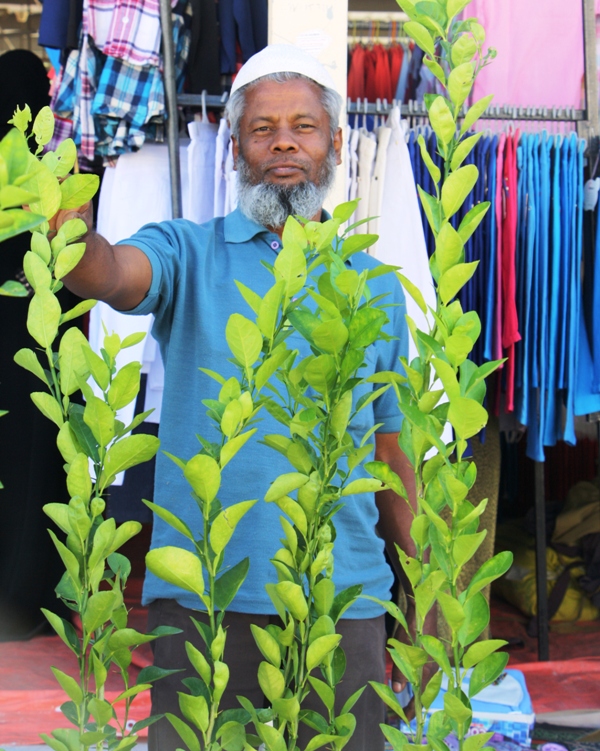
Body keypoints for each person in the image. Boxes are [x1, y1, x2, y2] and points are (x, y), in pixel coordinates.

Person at [55, 44, 420, 751]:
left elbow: (389, 448)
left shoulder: (373, 284)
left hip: (344, 599)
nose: (284, 140)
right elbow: (108, 273)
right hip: (208, 601)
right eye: (263, 128)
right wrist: (65, 229)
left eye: (304, 126)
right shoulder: (187, 253)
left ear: (336, 144)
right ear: (234, 150)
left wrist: (427, 594)